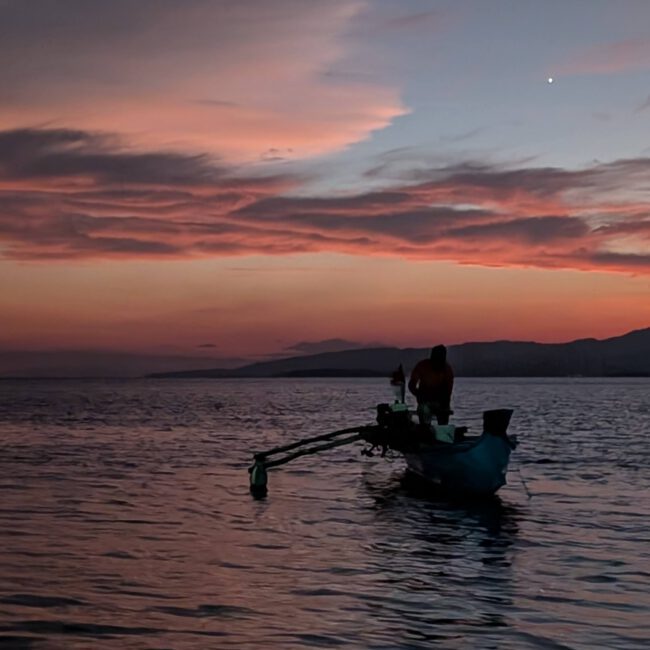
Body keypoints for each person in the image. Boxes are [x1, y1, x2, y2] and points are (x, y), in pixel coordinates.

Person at [408, 345, 454, 426]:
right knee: (423, 409)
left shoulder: (447, 370)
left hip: (441, 403)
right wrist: (418, 394)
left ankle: (443, 429)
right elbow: (411, 385)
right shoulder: (422, 366)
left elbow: (448, 392)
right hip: (424, 402)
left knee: (444, 414)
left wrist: (444, 406)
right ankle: (425, 428)